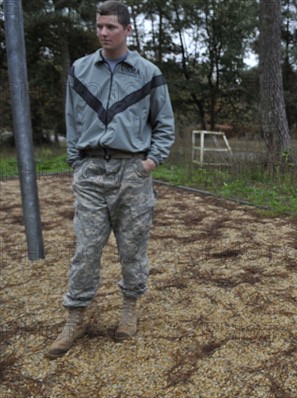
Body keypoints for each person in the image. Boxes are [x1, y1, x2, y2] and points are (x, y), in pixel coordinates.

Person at [45, 0, 175, 359]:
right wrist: (76, 162)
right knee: (85, 249)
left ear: (127, 30)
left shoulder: (148, 73)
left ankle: (130, 309)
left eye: (111, 27)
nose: (103, 32)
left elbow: (164, 123)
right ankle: (74, 317)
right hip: (90, 173)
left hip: (132, 173)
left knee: (132, 249)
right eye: (100, 26)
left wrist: (149, 163)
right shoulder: (81, 69)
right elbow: (71, 119)